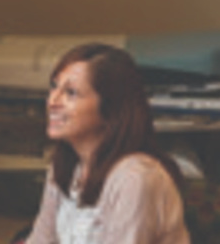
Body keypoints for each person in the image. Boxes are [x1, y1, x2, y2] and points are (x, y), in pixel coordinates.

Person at [25, 44, 189, 244]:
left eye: (71, 93)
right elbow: (41, 239)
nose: (53, 101)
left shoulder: (135, 178)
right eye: (54, 87)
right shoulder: (64, 166)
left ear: (110, 110)